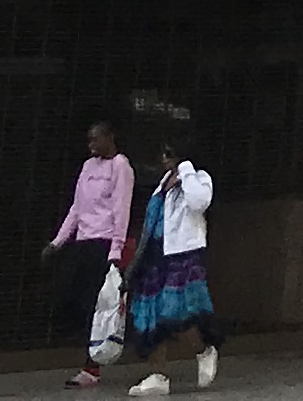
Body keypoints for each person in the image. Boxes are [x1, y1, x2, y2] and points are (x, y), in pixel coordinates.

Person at [124, 144, 221, 396]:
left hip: (183, 255)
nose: (164, 159)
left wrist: (186, 169)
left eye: (170, 154)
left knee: (178, 311)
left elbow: (199, 203)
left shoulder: (198, 178)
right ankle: (158, 375)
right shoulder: (163, 183)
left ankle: (203, 350)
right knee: (153, 316)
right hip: (157, 254)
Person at [46, 115, 134, 388]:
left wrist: (115, 250)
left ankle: (91, 366)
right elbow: (77, 207)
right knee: (74, 298)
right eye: (89, 139)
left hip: (104, 243)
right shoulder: (87, 166)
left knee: (97, 305)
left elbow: (121, 209)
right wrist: (58, 241)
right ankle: (92, 354)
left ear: (110, 138)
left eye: (96, 138)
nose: (91, 144)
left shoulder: (120, 167)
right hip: (83, 241)